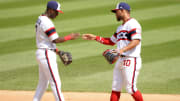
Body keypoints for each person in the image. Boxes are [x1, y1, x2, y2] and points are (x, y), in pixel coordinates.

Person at [82, 2, 143, 101]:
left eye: (116, 11)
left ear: (122, 11)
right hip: (120, 60)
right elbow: (110, 41)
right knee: (115, 87)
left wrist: (122, 50)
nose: (115, 14)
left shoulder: (133, 24)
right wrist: (95, 37)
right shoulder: (120, 28)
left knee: (130, 88)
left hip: (131, 59)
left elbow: (136, 40)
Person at [34, 1, 80, 101]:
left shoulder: (40, 19)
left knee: (43, 84)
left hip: (43, 52)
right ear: (50, 10)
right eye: (56, 12)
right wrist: (70, 37)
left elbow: (47, 40)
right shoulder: (46, 22)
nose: (57, 14)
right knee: (55, 83)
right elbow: (55, 39)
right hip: (46, 54)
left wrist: (57, 51)